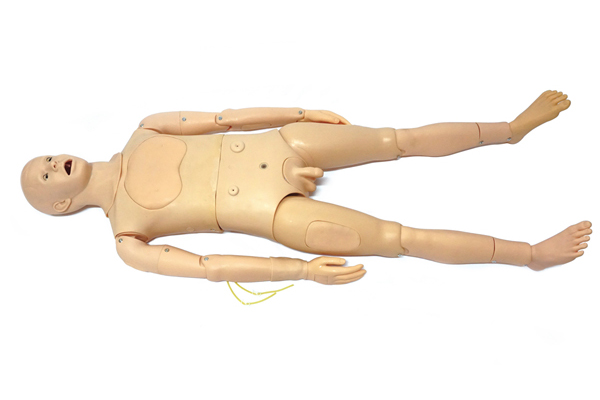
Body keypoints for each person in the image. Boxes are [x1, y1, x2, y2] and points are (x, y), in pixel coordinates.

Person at [21, 90, 592, 285]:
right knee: (402, 238)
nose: (53, 164)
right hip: (273, 214)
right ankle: (532, 256)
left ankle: (510, 129)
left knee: (401, 138)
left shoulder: (146, 128)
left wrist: (298, 111)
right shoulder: (127, 240)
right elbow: (209, 267)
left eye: (45, 158)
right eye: (45, 176)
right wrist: (299, 270)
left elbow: (224, 119)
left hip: (282, 143)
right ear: (61, 206)